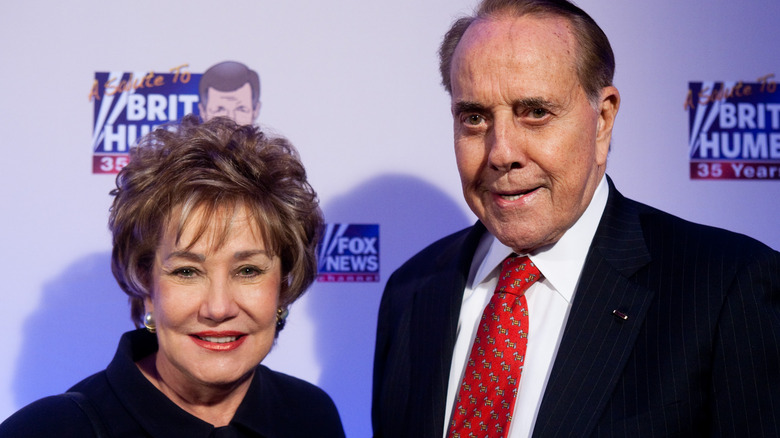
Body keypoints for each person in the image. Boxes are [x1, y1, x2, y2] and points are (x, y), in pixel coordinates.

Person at [371, 1, 780, 437]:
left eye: (535, 113)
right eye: (475, 118)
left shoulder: (726, 287)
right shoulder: (411, 292)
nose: (501, 152)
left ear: (603, 119)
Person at [0, 115, 345, 437]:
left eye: (248, 270)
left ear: (283, 284)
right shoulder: (51, 429)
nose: (218, 307)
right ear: (145, 284)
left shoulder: (310, 415)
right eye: (187, 271)